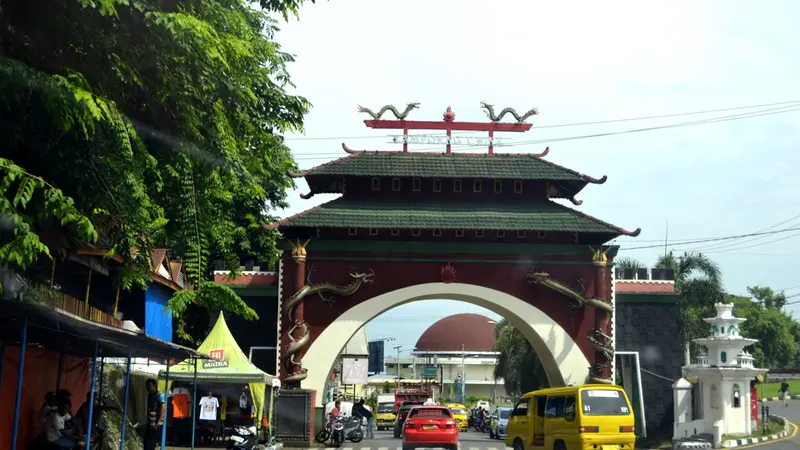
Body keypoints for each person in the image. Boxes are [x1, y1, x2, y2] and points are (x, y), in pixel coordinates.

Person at [144, 378, 166, 450]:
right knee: (147, 444)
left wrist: (158, 422)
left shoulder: (160, 395)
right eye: (147, 386)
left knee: (151, 444)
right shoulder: (149, 395)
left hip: (156, 425)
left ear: (154, 385)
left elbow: (163, 408)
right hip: (150, 423)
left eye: (149, 386)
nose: (148, 388)